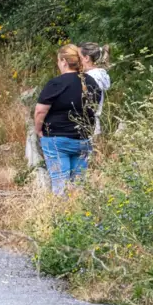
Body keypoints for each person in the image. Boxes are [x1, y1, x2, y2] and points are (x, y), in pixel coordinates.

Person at [34, 44, 101, 196]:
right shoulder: (91, 82)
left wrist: (38, 130)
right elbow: (94, 108)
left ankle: (62, 215)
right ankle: (79, 215)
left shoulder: (56, 83)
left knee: (60, 183)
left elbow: (40, 111)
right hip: (83, 139)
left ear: (64, 61)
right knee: (79, 184)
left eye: (58, 60)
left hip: (57, 139)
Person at [79, 42, 111, 135]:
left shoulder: (90, 78)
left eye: (80, 58)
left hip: (86, 125)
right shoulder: (101, 74)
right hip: (95, 124)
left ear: (86, 58)